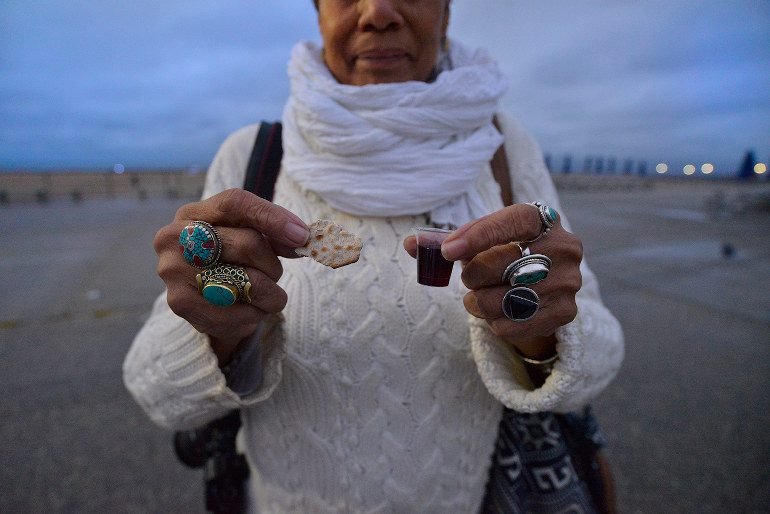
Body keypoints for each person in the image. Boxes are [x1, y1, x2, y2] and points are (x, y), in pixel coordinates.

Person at [124, 0, 624, 512]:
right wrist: (217, 329)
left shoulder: (503, 148)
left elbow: (602, 358)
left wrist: (541, 330)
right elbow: (157, 392)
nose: (377, 12)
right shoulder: (254, 156)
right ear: (318, 16)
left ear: (447, 14)